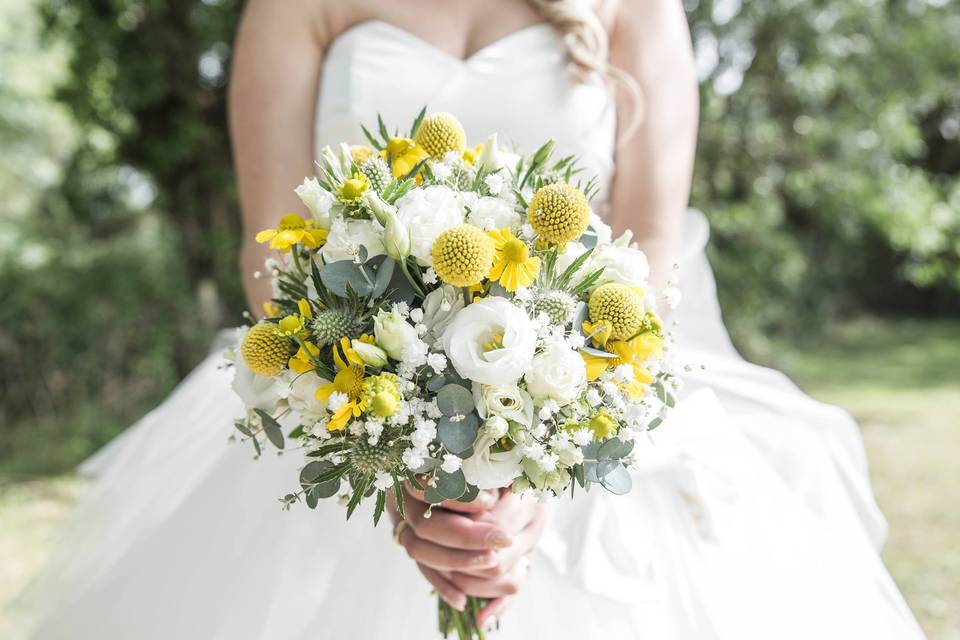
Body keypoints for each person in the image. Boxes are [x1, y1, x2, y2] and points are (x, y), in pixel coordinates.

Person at [20, 1, 926, 638]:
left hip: (587, 387)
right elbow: (272, 252)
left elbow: (652, 252)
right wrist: (398, 443)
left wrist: (529, 454)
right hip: (345, 392)